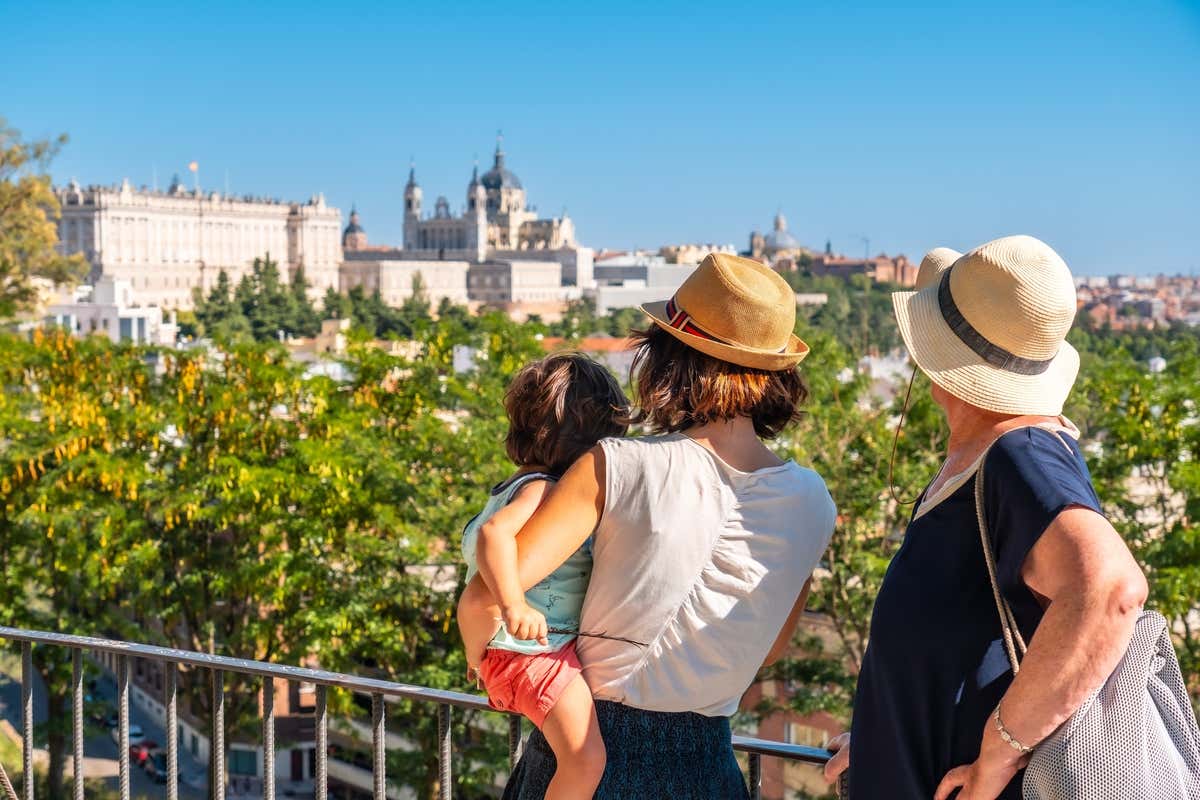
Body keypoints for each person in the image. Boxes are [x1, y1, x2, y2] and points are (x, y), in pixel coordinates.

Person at [488, 253, 837, 798]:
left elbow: (494, 597)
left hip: (587, 760)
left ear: (671, 357)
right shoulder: (814, 502)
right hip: (710, 770)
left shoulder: (617, 465)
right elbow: (769, 650)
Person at [824, 236, 1149, 800]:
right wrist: (885, 736)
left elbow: (1111, 590)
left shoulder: (1022, 452)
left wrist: (999, 752)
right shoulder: (986, 457)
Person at [457, 353, 629, 800]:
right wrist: (514, 606)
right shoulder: (543, 489)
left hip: (514, 652)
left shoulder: (511, 486)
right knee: (585, 759)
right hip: (535, 652)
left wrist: (479, 655)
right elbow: (494, 536)